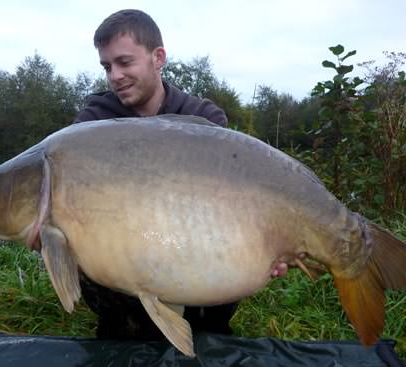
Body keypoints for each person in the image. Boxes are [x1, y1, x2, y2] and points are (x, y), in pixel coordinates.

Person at [74, 9, 288, 341]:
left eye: (124, 62)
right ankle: (122, 328)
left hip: (195, 253)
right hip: (123, 259)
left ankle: (208, 331)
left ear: (157, 57)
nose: (115, 75)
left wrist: (271, 244)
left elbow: (235, 201)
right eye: (107, 66)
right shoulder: (93, 124)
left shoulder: (203, 117)